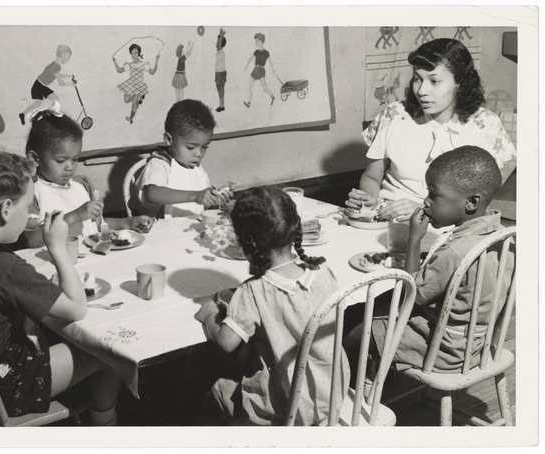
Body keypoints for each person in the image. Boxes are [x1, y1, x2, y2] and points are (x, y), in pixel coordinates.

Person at [0, 148, 122, 425]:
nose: (34, 215)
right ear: (6, 209)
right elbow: (77, 309)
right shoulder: (5, 267)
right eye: (30, 205)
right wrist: (56, 247)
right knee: (105, 353)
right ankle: (106, 426)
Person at [343, 146, 514, 388]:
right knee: (373, 305)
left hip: (446, 350)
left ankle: (348, 390)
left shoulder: (456, 251)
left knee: (354, 330)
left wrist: (414, 238)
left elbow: (412, 294)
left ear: (471, 202)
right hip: (478, 342)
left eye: (434, 194)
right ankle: (374, 371)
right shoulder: (501, 235)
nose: (425, 201)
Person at [194, 186, 350, 425]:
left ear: (246, 243)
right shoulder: (322, 272)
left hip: (284, 407)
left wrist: (209, 314)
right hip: (330, 395)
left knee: (215, 388)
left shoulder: (253, 290)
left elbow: (226, 342)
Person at [345, 38, 516, 222]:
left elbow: (484, 202)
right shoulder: (394, 114)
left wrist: (423, 210)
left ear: (460, 83)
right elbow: (372, 176)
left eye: (434, 81)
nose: (421, 90)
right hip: (388, 219)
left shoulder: (486, 124)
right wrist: (368, 199)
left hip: (450, 230)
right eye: (418, 79)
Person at [20, 112, 154, 248]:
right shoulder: (31, 192)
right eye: (61, 161)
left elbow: (97, 226)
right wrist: (75, 216)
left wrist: (128, 222)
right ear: (35, 159)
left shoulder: (81, 185)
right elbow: (31, 239)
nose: (70, 167)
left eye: (75, 159)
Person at [135, 99, 232, 218]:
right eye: (190, 147)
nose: (199, 154)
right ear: (169, 139)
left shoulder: (197, 169)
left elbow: (200, 207)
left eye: (204, 147)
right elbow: (152, 194)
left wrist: (214, 198)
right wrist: (195, 196)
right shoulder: (160, 164)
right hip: (163, 233)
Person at [19, 45, 75, 126]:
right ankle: (28, 114)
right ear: (63, 54)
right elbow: (59, 76)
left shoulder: (57, 66)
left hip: (42, 86)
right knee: (38, 103)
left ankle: (49, 116)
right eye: (67, 57)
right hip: (38, 86)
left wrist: (70, 83)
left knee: (55, 99)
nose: (68, 60)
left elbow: (61, 83)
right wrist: (69, 76)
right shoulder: (54, 66)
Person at [113, 43, 160, 124]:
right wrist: (114, 62)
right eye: (132, 53)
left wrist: (157, 60)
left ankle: (131, 118)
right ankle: (139, 97)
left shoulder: (143, 64)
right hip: (131, 83)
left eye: (135, 53)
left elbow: (152, 72)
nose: (133, 55)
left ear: (139, 53)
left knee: (135, 101)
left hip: (139, 84)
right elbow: (119, 70)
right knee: (126, 100)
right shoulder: (129, 64)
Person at [243, 33, 275, 108]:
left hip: (261, 70)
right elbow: (250, 59)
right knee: (250, 86)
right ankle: (249, 103)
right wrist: (246, 65)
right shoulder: (256, 52)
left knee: (264, 88)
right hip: (255, 69)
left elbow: (271, 62)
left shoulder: (266, 53)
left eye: (256, 41)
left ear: (260, 41)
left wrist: (273, 69)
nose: (255, 43)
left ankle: (272, 96)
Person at [214, 28, 227, 112]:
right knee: (219, 89)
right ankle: (221, 105)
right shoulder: (219, 51)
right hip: (218, 72)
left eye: (218, 41)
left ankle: (222, 106)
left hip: (221, 72)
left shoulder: (220, 50)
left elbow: (219, 43)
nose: (216, 42)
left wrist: (221, 35)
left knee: (220, 89)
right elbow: (219, 42)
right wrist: (220, 34)